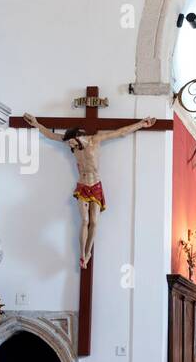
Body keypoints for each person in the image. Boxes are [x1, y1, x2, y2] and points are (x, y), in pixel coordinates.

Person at [24, 112, 156, 267]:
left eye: (72, 143)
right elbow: (51, 136)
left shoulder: (95, 140)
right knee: (84, 220)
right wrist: (36, 124)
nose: (70, 146)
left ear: (78, 137)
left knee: (94, 221)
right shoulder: (70, 142)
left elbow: (120, 132)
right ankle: (82, 254)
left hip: (96, 184)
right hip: (82, 184)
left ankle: (88, 253)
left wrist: (141, 124)